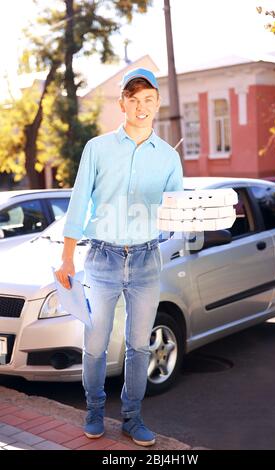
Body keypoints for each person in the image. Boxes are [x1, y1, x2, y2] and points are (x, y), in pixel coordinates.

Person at [55, 67, 183, 447]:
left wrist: (199, 217)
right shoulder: (97, 149)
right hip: (102, 259)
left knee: (139, 345)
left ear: (157, 103)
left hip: (146, 260)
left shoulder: (168, 159)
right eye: (133, 99)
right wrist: (66, 259)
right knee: (95, 342)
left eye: (148, 100)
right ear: (122, 103)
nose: (141, 106)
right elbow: (78, 204)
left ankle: (132, 417)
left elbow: (175, 211)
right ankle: (95, 410)